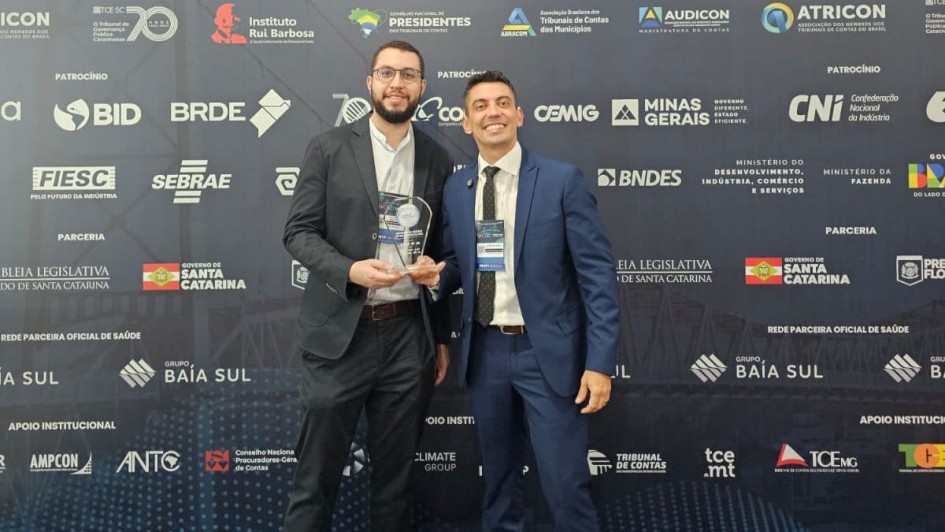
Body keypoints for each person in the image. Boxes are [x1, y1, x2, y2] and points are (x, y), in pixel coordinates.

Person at [414, 71, 619, 531]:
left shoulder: (561, 180)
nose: (494, 112)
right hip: (484, 353)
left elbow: (598, 276)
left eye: (503, 103)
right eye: (481, 105)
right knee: (499, 485)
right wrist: (436, 277)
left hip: (548, 356)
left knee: (565, 487)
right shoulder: (457, 188)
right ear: (466, 122)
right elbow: (459, 263)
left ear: (519, 115)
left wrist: (600, 362)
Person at [282, 40, 453, 532]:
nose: (397, 83)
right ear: (370, 82)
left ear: (421, 86)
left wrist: (439, 336)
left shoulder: (437, 158)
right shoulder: (329, 147)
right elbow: (298, 233)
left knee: (394, 487)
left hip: (408, 337)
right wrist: (350, 270)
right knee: (314, 482)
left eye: (408, 75)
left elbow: (442, 251)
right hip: (341, 333)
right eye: (387, 73)